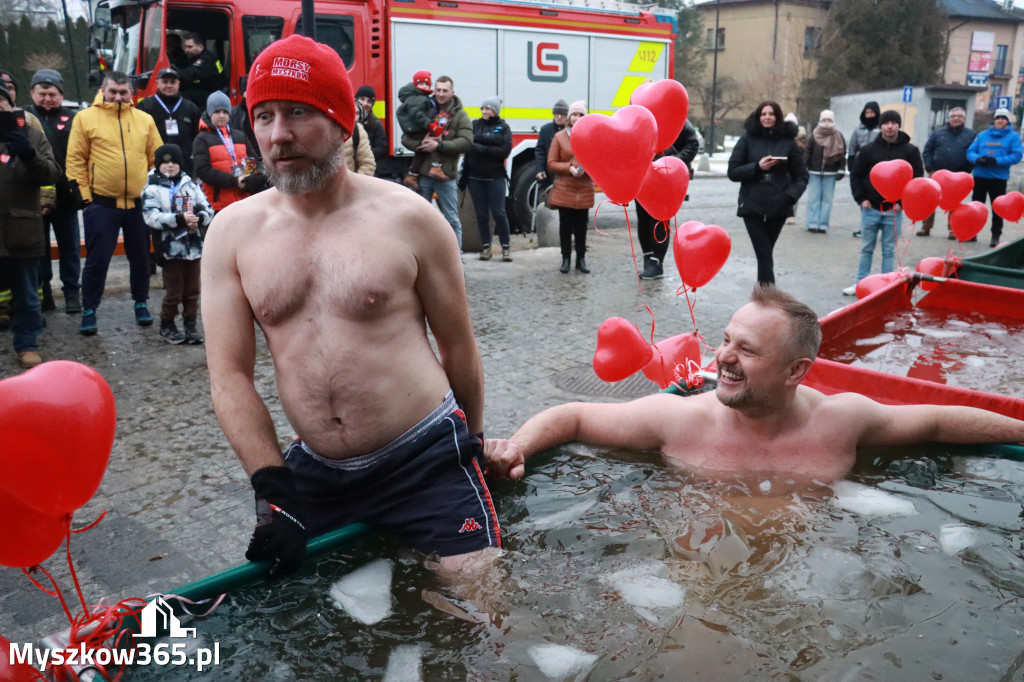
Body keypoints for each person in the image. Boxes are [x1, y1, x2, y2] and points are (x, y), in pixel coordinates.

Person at [202, 34, 496, 579]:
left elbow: (458, 345)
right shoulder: (231, 233)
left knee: (478, 607)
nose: (278, 134)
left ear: (341, 122)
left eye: (297, 113)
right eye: (263, 116)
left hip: (425, 459)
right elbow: (229, 377)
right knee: (300, 627)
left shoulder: (410, 219)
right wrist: (273, 489)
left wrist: (472, 446)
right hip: (316, 473)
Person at [483, 285, 1024, 485]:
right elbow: (574, 416)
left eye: (746, 350)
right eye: (725, 340)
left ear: (796, 371)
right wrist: (517, 447)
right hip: (698, 576)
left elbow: (937, 418)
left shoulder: (843, 420)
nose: (722, 358)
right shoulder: (681, 419)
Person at [65, 71, 163, 335]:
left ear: (132, 93)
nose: (118, 97)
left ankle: (141, 302)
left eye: (124, 92)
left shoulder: (145, 119)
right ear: (103, 90)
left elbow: (157, 159)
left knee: (141, 259)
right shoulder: (85, 119)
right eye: (113, 91)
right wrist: (85, 201)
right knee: (97, 260)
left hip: (139, 204)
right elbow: (75, 162)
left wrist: (156, 194)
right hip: (102, 203)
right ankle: (89, 309)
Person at [0, 81, 62, 368]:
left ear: (9, 105)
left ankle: (26, 344)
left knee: (26, 292)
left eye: (2, 104)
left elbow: (52, 172)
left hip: (21, 228)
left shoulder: (32, 135)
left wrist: (28, 154)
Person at [727, 100, 808, 286]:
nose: (767, 117)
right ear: (758, 117)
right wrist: (757, 167)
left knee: (766, 254)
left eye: (771, 114)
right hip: (752, 203)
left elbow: (801, 177)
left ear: (777, 117)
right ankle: (768, 298)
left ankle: (765, 299)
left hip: (779, 204)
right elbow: (733, 171)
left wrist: (790, 197)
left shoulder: (788, 142)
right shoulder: (747, 139)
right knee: (764, 254)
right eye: (763, 114)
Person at [22, 68, 83, 313]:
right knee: (40, 249)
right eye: (42, 93)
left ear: (61, 94)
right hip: (34, 195)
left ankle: (71, 293)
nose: (47, 98)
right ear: (32, 93)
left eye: (53, 93)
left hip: (66, 194)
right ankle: (44, 292)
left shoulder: (74, 117)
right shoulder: (22, 117)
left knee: (70, 247)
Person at [844, 110, 923, 295]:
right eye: (886, 123)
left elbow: (916, 179)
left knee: (889, 250)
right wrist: (861, 198)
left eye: (893, 123)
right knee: (866, 248)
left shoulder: (910, 151)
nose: (889, 126)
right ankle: (860, 284)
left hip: (894, 210)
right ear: (881, 125)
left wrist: (902, 203)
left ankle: (886, 287)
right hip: (870, 207)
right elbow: (856, 175)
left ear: (898, 125)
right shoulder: (868, 150)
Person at [141, 143, 213, 344]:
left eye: (174, 162)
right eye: (165, 163)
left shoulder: (190, 184)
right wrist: (178, 219)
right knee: (174, 291)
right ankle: (167, 324)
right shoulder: (152, 189)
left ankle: (190, 324)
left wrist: (199, 217)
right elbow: (151, 217)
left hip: (194, 248)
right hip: (170, 249)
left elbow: (207, 208)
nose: (170, 166)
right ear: (157, 166)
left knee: (193, 290)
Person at [402, 76, 473, 249]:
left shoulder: (460, 115)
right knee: (420, 220)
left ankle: (456, 262)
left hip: (446, 177)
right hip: (424, 175)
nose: (440, 94)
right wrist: (421, 144)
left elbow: (467, 142)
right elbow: (405, 138)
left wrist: (439, 145)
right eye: (438, 90)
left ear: (452, 93)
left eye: (445, 91)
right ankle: (422, 261)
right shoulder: (425, 108)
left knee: (452, 220)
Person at [636, 119, 701, 279]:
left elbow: (692, 145)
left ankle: (657, 262)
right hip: (643, 176)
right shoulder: (643, 116)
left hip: (667, 178)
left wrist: (673, 162)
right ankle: (648, 258)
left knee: (660, 220)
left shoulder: (679, 120)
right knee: (643, 219)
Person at [192, 91, 266, 212]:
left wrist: (249, 180)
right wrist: (235, 181)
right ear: (210, 113)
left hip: (244, 200)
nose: (222, 115)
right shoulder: (202, 139)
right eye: (217, 112)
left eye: (225, 112)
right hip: (218, 204)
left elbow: (255, 163)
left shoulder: (240, 136)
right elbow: (204, 171)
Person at [463, 96, 513, 262]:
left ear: (495, 110)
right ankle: (486, 246)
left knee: (499, 212)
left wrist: (481, 148)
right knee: (481, 214)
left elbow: (504, 151)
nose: (484, 111)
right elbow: (468, 144)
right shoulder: (475, 124)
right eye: (483, 108)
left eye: (488, 108)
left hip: (495, 177)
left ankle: (506, 247)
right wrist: (489, 145)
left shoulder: (503, 127)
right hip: (475, 177)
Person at [967, 107, 1023, 248]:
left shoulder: (1013, 137)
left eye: (1003, 118)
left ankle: (995, 235)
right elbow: (970, 151)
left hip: (998, 179)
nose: (1000, 120)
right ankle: (972, 233)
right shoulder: (982, 135)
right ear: (994, 120)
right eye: (997, 118)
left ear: (1007, 121)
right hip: (980, 177)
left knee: (997, 209)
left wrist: (996, 161)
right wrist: (978, 159)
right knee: (976, 208)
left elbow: (1016, 155)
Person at [548, 100, 593, 274]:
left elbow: (598, 162)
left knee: (582, 227)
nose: (577, 118)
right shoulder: (559, 137)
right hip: (565, 187)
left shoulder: (592, 136)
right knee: (565, 226)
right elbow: (551, 163)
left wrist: (586, 170)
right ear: (569, 117)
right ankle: (565, 258)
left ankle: (581, 259)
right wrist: (569, 168)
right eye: (574, 114)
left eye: (581, 114)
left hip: (583, 188)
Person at [919, 107, 976, 238]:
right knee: (930, 200)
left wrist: (967, 170)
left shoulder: (971, 135)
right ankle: (925, 227)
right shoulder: (937, 133)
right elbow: (927, 151)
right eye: (953, 116)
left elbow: (973, 153)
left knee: (955, 203)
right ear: (949, 118)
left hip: (958, 175)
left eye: (959, 116)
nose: (956, 118)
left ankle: (952, 229)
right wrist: (930, 168)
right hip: (936, 173)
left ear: (964, 119)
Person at [136, 67, 203, 174]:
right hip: (153, 167)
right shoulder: (144, 106)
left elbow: (198, 139)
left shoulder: (191, 108)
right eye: (165, 82)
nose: (169, 85)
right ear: (157, 83)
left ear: (179, 84)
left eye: (173, 82)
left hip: (184, 168)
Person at [802, 109, 846, 234]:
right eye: (824, 120)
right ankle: (812, 223)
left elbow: (842, 153)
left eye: (829, 120)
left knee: (827, 200)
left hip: (831, 172)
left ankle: (823, 225)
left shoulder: (838, 135)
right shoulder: (814, 134)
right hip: (814, 171)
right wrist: (804, 167)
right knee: (813, 199)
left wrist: (841, 169)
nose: (826, 123)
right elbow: (807, 152)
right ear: (820, 121)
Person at [396, 71, 439, 189]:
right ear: (415, 85)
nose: (424, 87)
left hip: (417, 130)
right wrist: (430, 125)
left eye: (427, 84)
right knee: (434, 146)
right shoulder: (417, 98)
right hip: (420, 130)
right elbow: (418, 115)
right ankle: (436, 167)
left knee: (420, 153)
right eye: (421, 84)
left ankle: (412, 175)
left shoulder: (420, 97)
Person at [847, 101, 881, 238]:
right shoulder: (858, 130)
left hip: (878, 169)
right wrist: (851, 165)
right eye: (867, 113)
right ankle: (864, 227)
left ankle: (877, 226)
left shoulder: (880, 129)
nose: (869, 115)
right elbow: (852, 148)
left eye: (872, 113)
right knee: (863, 198)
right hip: (861, 168)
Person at [178, 33, 226, 108]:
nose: (186, 50)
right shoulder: (193, 57)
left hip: (214, 92)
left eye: (190, 47)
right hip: (205, 88)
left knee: (184, 95)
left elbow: (193, 73)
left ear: (200, 47)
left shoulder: (206, 58)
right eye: (185, 47)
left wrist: (175, 74)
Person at [534, 99, 568, 190]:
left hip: (567, 174)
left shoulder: (571, 130)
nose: (559, 117)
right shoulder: (546, 129)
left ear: (567, 116)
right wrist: (539, 169)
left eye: (562, 114)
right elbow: (540, 151)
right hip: (549, 175)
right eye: (556, 114)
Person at [354, 85, 388, 172]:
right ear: (356, 99)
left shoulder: (376, 124)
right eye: (362, 99)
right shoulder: (346, 120)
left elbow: (382, 149)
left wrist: (363, 154)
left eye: (369, 101)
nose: (365, 103)